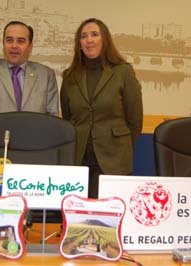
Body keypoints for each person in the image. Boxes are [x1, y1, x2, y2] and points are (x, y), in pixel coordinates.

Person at [60, 18, 143, 198]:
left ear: (104, 39)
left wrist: (120, 149)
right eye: (83, 36)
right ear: (79, 44)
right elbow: (67, 119)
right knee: (80, 220)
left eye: (94, 34)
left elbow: (135, 120)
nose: (89, 40)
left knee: (109, 220)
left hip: (113, 161)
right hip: (79, 163)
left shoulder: (123, 72)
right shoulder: (69, 77)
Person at [0, 21, 59, 127]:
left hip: (34, 142)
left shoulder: (46, 75)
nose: (14, 45)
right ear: (3, 44)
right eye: (9, 40)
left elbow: (52, 117)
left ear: (30, 47)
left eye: (21, 41)